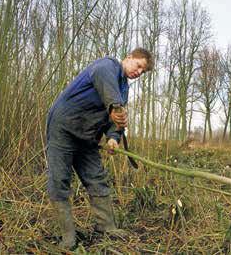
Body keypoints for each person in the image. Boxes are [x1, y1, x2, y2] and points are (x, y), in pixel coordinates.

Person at [46, 48, 153, 249]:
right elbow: (111, 99)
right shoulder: (107, 66)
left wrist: (113, 137)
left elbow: (114, 122)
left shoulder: (124, 89)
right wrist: (114, 106)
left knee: (97, 178)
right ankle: (68, 237)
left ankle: (106, 228)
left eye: (143, 71)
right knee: (59, 180)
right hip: (64, 128)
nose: (139, 72)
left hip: (87, 137)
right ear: (129, 57)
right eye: (138, 66)